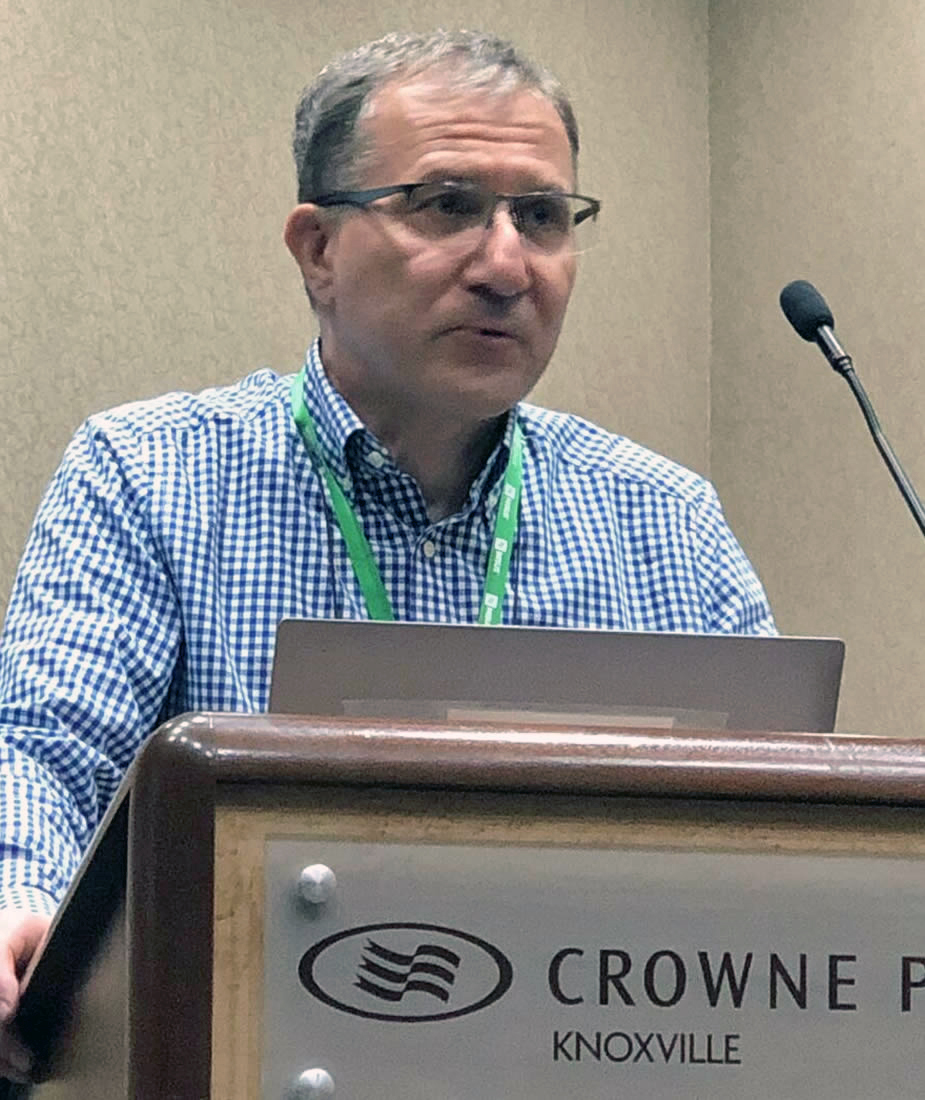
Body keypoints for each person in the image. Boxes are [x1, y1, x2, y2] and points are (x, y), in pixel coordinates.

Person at [0, 29, 775, 1079]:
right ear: (317, 250)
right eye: (447, 204)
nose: (505, 265)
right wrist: (20, 897)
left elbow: (781, 837)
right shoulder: (150, 473)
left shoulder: (665, 521)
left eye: (542, 217)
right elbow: (44, 753)